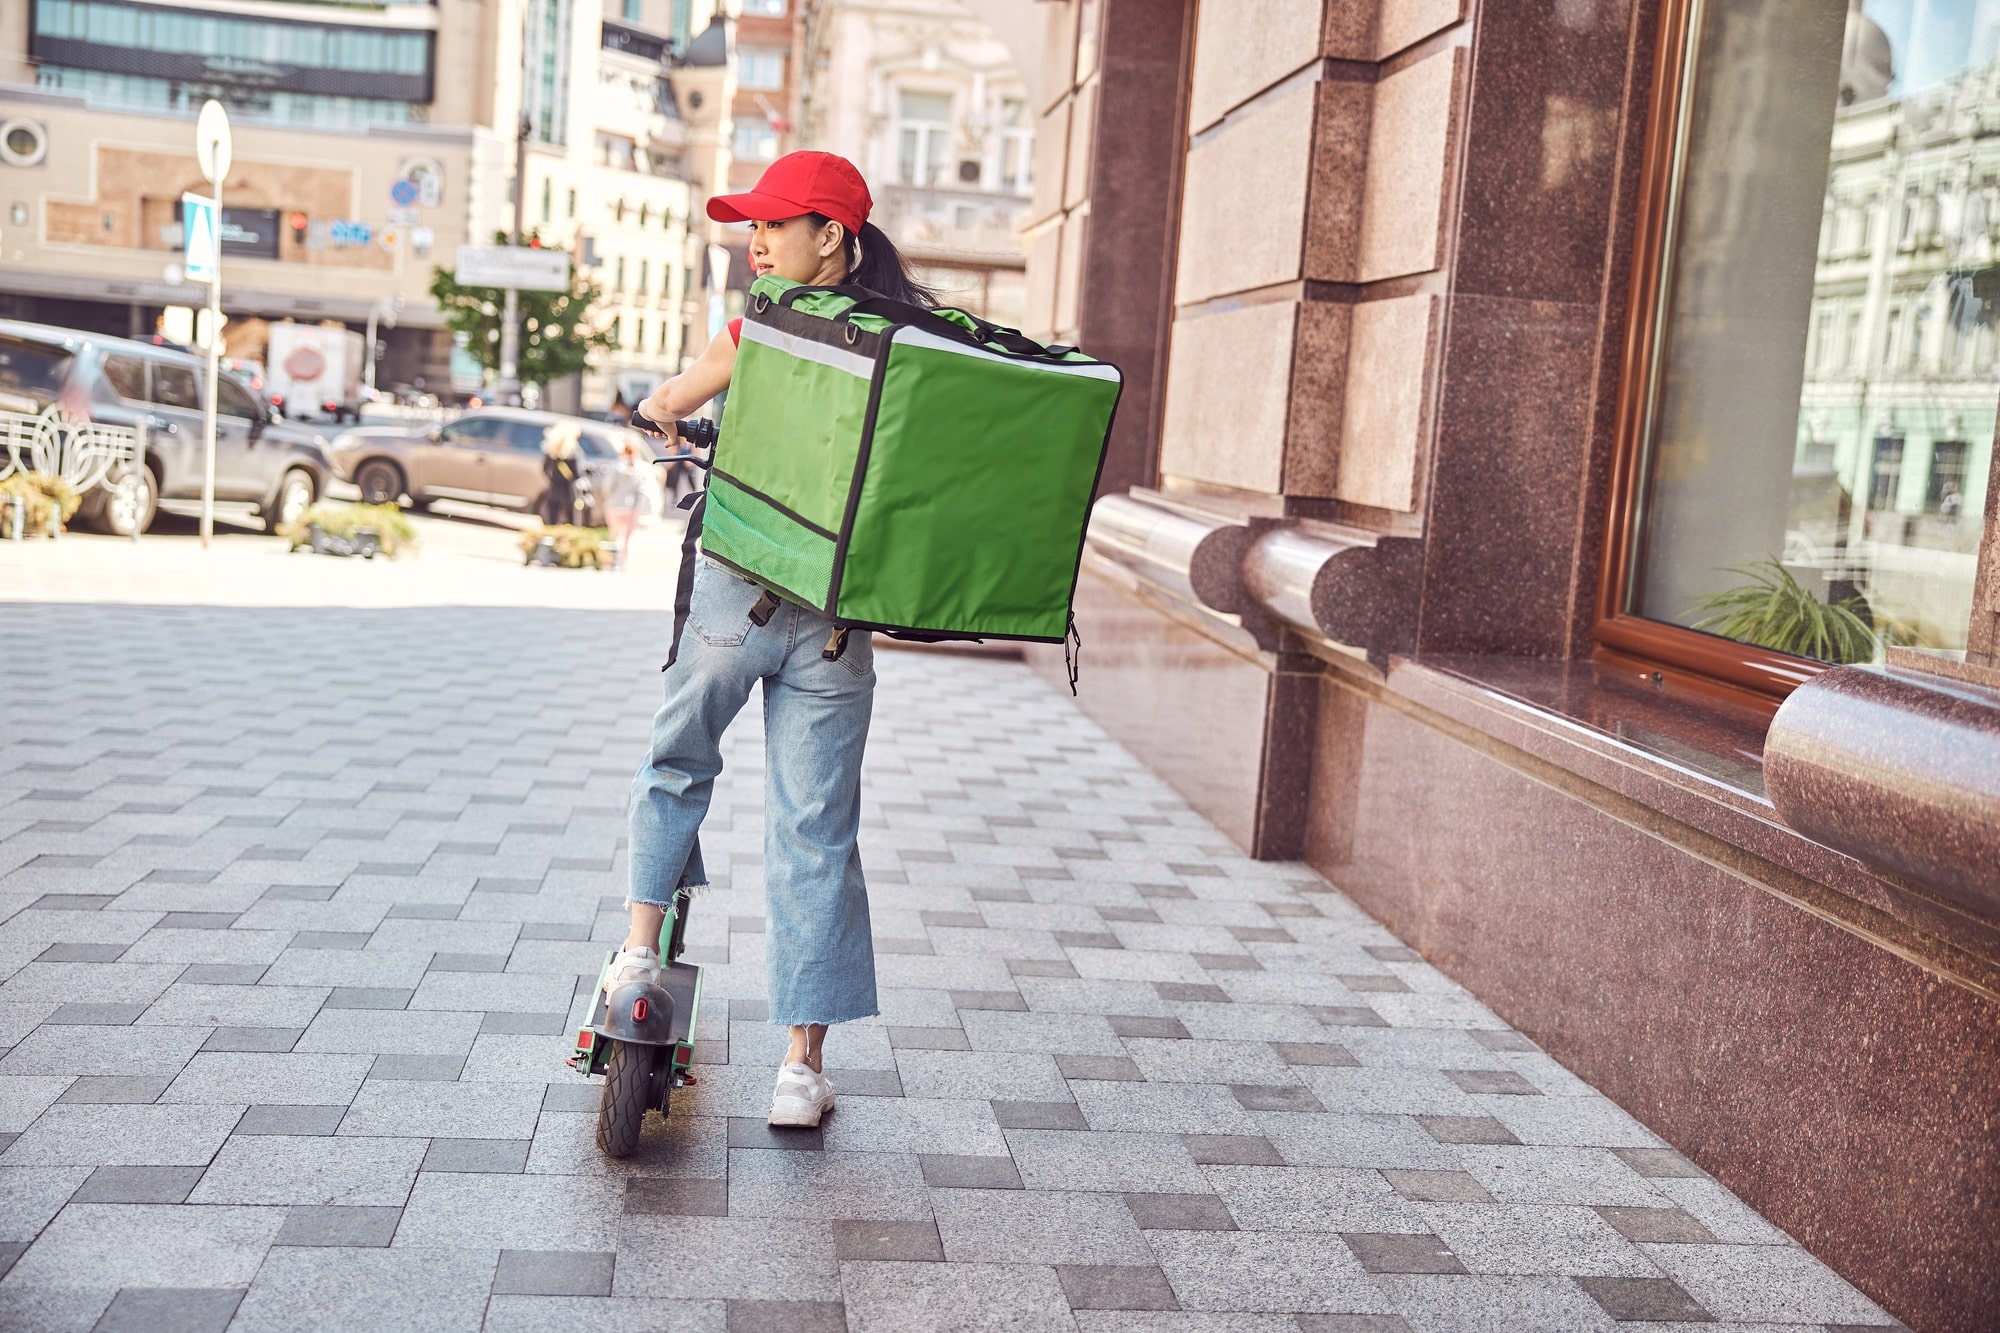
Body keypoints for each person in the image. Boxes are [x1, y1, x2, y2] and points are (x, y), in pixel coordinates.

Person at [616, 151, 937, 1129]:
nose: (753, 241)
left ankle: (638, 952)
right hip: (838, 629)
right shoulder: (908, 344)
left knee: (676, 763)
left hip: (735, 599)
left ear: (829, 236)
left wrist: (658, 416)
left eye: (774, 224)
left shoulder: (756, 325)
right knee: (815, 832)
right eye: (749, 225)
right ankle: (799, 1069)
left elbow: (671, 403)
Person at [600, 435, 649, 571]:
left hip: (614, 505)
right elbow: (642, 491)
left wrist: (607, 499)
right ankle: (623, 565)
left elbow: (608, 486)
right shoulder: (640, 469)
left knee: (615, 536)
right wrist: (639, 509)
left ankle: (612, 563)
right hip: (631, 507)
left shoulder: (616, 466)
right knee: (628, 539)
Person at [539, 421, 585, 527]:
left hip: (553, 489)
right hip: (569, 491)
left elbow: (545, 469)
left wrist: (553, 479)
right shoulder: (574, 452)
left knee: (551, 522)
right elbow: (578, 473)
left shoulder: (552, 450)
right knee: (572, 522)